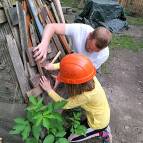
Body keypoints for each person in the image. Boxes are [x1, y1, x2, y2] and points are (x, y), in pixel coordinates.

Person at [39, 53, 111, 142]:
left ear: (74, 84)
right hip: (101, 113)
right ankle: (103, 128)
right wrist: (52, 66)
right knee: (75, 129)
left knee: (71, 138)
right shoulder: (87, 76)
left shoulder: (86, 95)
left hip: (97, 123)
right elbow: (71, 65)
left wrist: (49, 90)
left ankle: (103, 133)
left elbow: (65, 104)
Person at [33, 23, 112, 69]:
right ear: (89, 35)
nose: (91, 52)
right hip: (75, 57)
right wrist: (44, 43)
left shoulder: (104, 54)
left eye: (95, 51)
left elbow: (86, 70)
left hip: (85, 66)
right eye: (90, 47)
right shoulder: (79, 30)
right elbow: (52, 26)